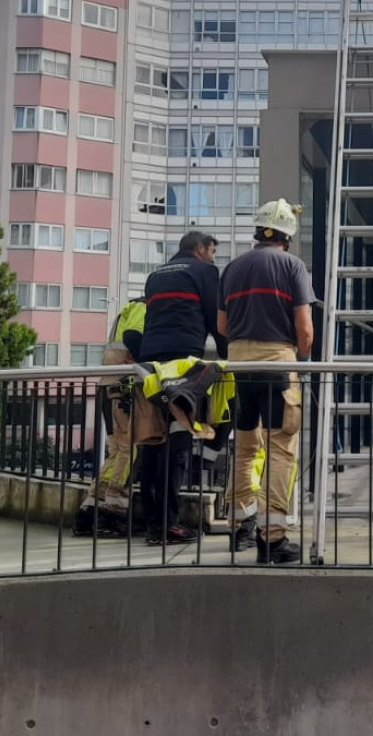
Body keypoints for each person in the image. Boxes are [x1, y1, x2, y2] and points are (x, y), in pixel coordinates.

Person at [218, 198, 315, 564]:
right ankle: (272, 539)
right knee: (279, 449)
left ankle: (239, 523)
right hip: (278, 366)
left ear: (258, 232)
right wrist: (301, 359)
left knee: (245, 449)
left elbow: (224, 327)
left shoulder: (232, 268)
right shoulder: (293, 266)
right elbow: (304, 329)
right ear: (287, 236)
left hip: (239, 366)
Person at [138, 231, 227, 546]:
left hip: (150, 362)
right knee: (178, 440)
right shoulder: (204, 271)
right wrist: (228, 358)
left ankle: (152, 522)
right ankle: (167, 525)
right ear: (201, 248)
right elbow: (214, 320)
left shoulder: (156, 275)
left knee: (152, 440)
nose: (214, 256)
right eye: (213, 250)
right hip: (183, 363)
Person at [71, 298, 145, 537]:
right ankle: (114, 513)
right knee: (129, 450)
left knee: (116, 453)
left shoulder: (127, 310)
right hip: (124, 387)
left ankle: (89, 511)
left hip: (109, 386)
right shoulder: (143, 308)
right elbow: (134, 338)